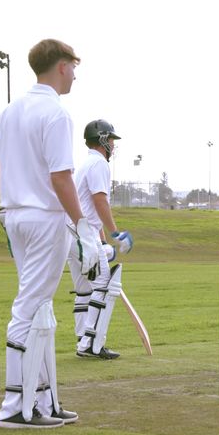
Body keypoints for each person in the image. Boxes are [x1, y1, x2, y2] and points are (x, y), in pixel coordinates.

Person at [0, 39, 103, 430]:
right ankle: (15, 407)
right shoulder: (55, 113)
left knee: (41, 308)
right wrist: (83, 225)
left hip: (18, 217)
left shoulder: (12, 110)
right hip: (43, 219)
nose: (75, 74)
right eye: (73, 66)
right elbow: (60, 176)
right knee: (28, 307)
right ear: (61, 66)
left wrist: (7, 207)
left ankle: (43, 400)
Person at [68, 119, 134, 360]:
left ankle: (82, 340)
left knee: (84, 289)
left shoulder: (85, 164)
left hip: (74, 232)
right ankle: (90, 343)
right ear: (103, 140)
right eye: (112, 141)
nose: (113, 147)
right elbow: (99, 202)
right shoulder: (99, 164)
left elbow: (89, 208)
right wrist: (116, 233)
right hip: (83, 235)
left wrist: (103, 240)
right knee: (103, 284)